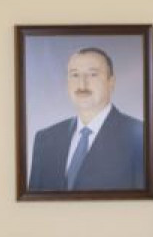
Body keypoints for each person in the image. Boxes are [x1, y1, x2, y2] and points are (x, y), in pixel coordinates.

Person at [27, 47, 145, 192]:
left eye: (93, 74)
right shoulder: (45, 139)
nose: (82, 85)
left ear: (111, 82)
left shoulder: (140, 137)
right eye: (75, 75)